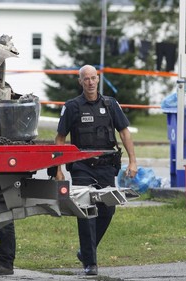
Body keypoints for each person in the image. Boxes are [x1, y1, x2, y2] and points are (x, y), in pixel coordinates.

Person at [55, 64, 137, 276]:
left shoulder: (110, 104)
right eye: (86, 79)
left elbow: (125, 133)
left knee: (108, 209)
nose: (90, 82)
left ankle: (85, 251)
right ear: (80, 81)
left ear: (98, 79)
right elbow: (60, 139)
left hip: (106, 165)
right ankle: (90, 263)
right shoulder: (72, 106)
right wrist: (58, 168)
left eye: (93, 78)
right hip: (82, 167)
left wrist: (133, 161)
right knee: (86, 211)